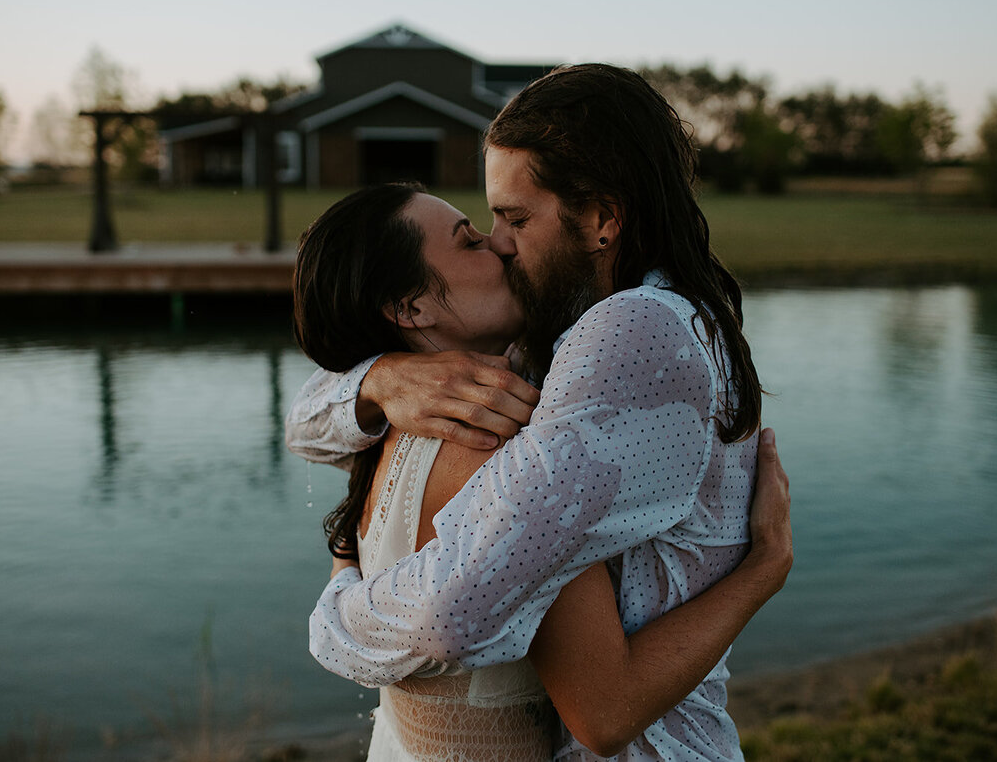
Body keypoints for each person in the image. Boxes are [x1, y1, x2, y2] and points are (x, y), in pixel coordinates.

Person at [290, 64, 790, 760]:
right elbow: (307, 419)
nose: (499, 242)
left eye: (514, 219)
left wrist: (333, 610)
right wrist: (381, 378)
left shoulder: (629, 336)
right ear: (408, 308)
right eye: (483, 228)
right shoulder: (559, 346)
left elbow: (452, 615)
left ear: (603, 219)